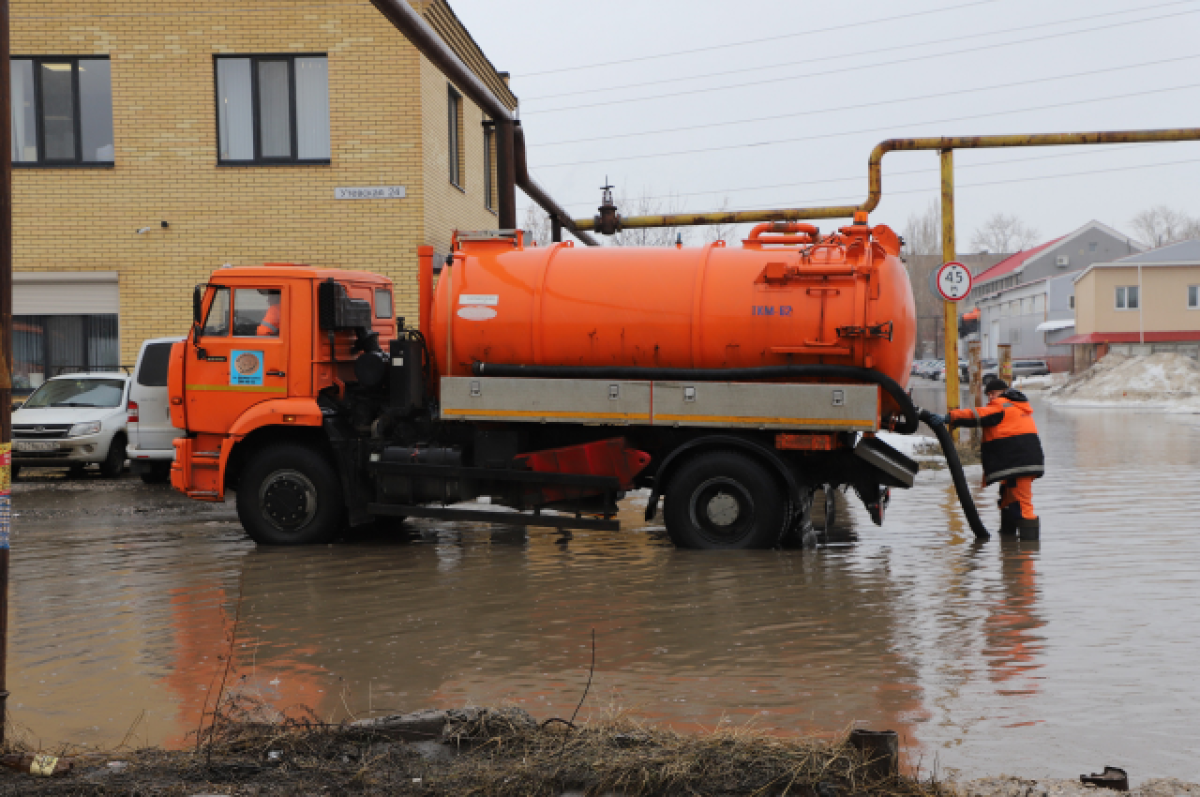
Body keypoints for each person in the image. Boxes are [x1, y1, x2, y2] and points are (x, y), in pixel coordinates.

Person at [931, 378, 1044, 540]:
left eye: (993, 393)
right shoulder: (1018, 407)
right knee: (1007, 500)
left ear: (1004, 391)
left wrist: (951, 417)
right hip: (1020, 462)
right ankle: (1009, 545)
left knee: (1022, 506)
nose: (991, 397)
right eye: (988, 394)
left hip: (1018, 463)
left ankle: (1027, 554)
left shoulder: (1002, 405)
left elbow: (977, 415)